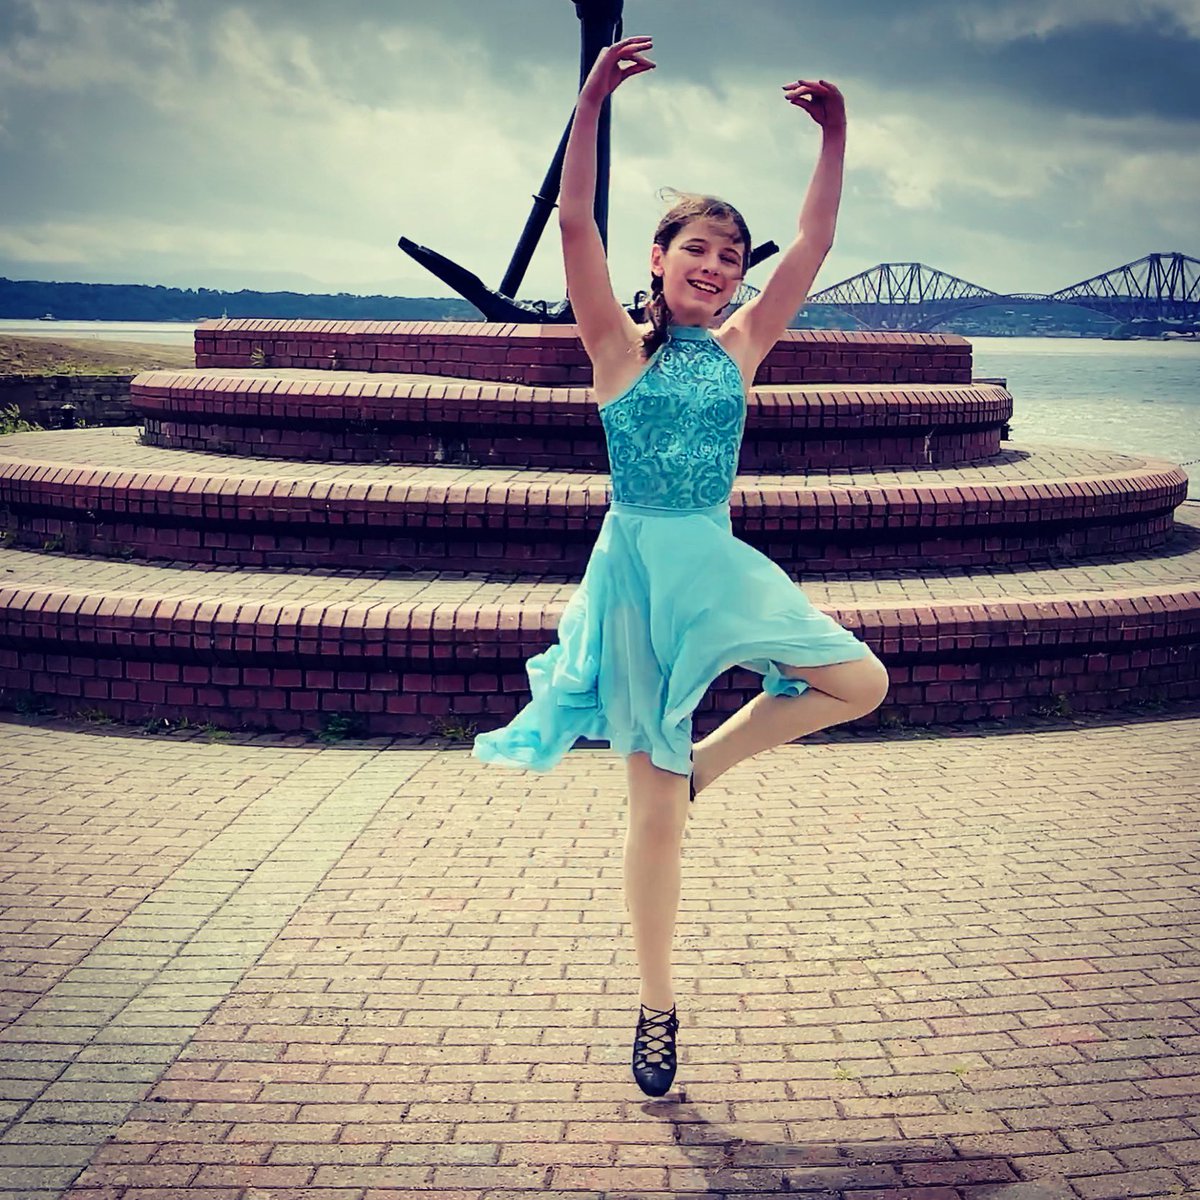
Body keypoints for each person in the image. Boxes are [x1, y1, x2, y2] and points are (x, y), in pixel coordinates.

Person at [473, 35, 890, 1097]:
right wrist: (592, 100)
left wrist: (836, 135)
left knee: (860, 681)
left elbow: (815, 239)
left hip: (721, 561)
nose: (718, 267)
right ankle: (657, 1008)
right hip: (639, 583)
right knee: (652, 819)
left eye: (729, 257)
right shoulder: (616, 348)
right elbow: (573, 222)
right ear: (659, 258)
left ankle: (710, 764)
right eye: (698, 248)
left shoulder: (745, 347)